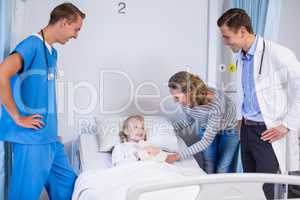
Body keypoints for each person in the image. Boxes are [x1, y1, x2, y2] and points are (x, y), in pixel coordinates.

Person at [0, 3, 85, 199]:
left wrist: (53, 131)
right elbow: (2, 73)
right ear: (64, 23)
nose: (76, 35)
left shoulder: (52, 52)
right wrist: (17, 117)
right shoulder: (31, 45)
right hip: (31, 139)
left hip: (49, 138)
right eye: (76, 29)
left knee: (70, 185)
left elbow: (42, 94)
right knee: (25, 194)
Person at [217, 8, 300, 199]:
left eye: (227, 37)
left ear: (243, 31)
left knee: (266, 186)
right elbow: (245, 93)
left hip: (267, 131)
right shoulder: (242, 58)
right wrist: (240, 119)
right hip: (247, 129)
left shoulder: (278, 54)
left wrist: (287, 125)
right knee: (250, 184)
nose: (225, 42)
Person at [166, 71, 240, 174]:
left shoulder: (216, 103)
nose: (174, 101)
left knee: (223, 166)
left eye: (177, 97)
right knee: (209, 162)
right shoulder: (186, 102)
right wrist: (168, 129)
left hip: (229, 129)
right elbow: (189, 121)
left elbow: (205, 141)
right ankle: (209, 189)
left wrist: (177, 156)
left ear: (189, 92)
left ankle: (221, 189)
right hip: (207, 126)